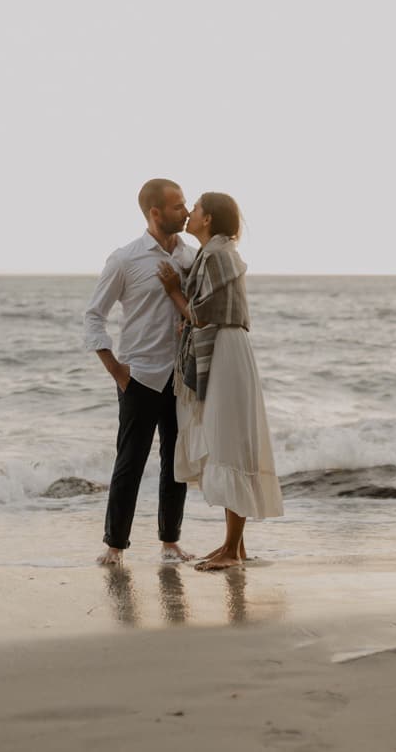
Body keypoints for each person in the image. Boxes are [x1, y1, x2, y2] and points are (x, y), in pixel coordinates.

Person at [156, 192, 283, 571]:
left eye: (194, 208)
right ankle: (234, 547)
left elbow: (199, 314)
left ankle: (232, 549)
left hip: (227, 351)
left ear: (208, 218)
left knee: (230, 444)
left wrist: (173, 291)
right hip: (229, 349)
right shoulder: (216, 254)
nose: (190, 213)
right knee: (230, 442)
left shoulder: (215, 256)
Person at [84, 178, 198, 566]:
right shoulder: (125, 259)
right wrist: (116, 370)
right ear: (154, 212)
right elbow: (93, 317)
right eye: (178, 205)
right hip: (140, 376)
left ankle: (171, 542)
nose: (186, 211)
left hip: (179, 376)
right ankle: (115, 546)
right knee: (130, 461)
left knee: (175, 462)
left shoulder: (190, 256)